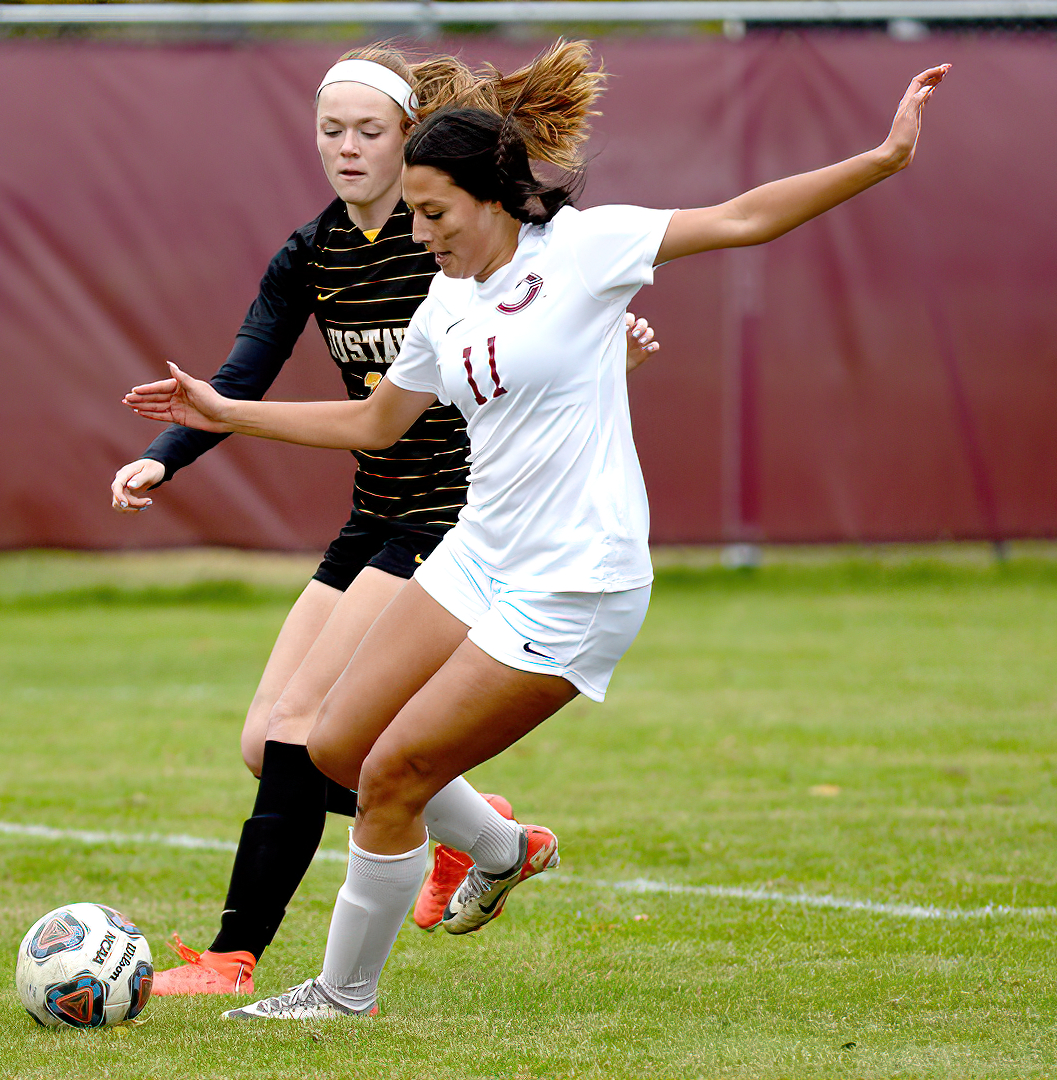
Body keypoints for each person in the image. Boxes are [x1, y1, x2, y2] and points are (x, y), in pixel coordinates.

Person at [126, 45, 949, 1019]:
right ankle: (505, 850)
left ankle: (341, 998)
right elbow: (371, 424)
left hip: (578, 584)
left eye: (433, 213)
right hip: (479, 555)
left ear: (488, 197)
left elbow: (745, 217)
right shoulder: (444, 300)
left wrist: (883, 157)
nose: (420, 233)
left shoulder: (588, 249)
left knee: (391, 773)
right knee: (334, 746)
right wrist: (223, 413)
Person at [108, 43, 662, 996]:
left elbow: (544, 323)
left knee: (302, 731)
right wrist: (164, 455)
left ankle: (234, 958)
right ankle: (487, 837)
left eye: (370, 130)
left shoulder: (453, 245)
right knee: (271, 746)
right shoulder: (313, 252)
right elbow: (238, 382)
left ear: (413, 145)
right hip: (375, 512)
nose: (348, 148)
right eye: (331, 130)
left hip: (453, 521)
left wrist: (610, 349)